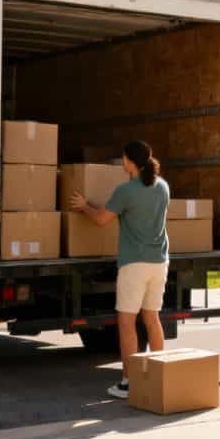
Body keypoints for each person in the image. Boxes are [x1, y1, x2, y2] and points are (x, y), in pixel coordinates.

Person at [70, 139, 169, 399]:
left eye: (124, 158)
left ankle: (128, 382)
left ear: (129, 162)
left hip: (134, 264)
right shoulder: (163, 187)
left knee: (126, 323)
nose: (122, 161)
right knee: (152, 319)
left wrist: (84, 206)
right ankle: (160, 377)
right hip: (159, 262)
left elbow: (102, 219)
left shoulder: (126, 191)